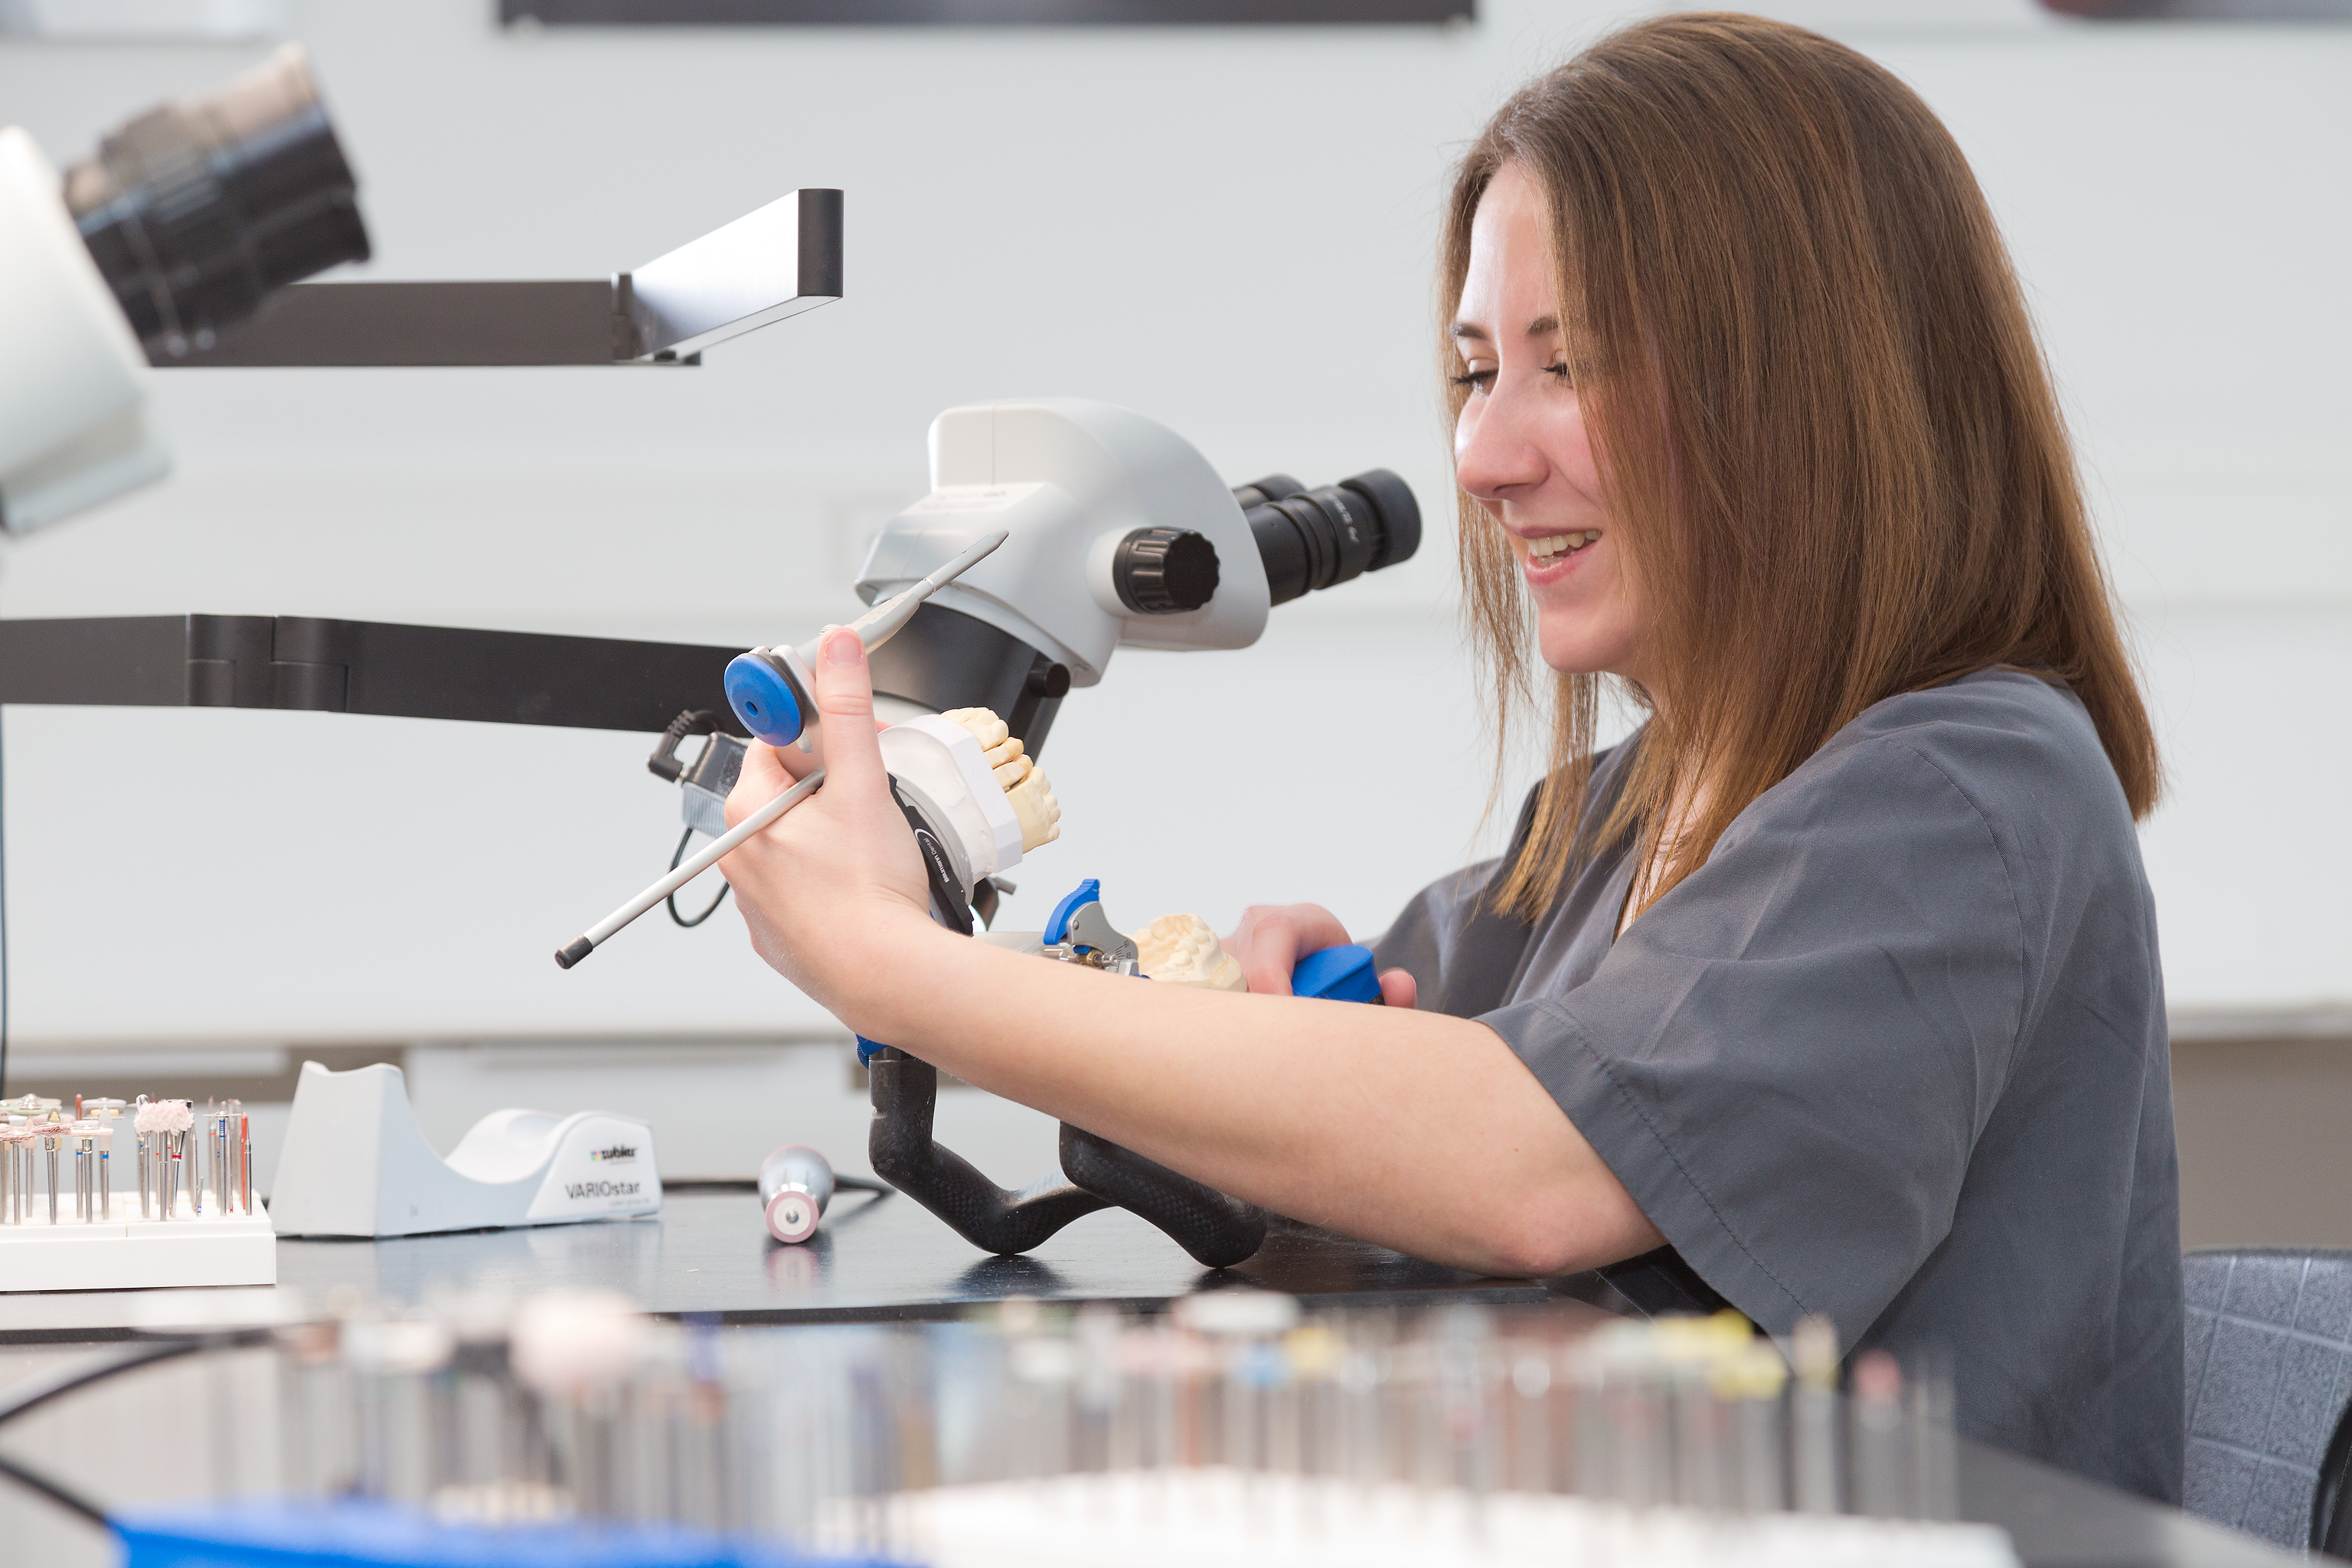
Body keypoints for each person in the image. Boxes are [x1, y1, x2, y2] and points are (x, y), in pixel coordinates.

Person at [718, 13, 2180, 1502]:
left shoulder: (1966, 797)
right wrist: (1259, 1047)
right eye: (1478, 372)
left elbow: (1529, 1167)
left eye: (1572, 365)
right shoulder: (1614, 822)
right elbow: (1419, 1134)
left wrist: (890, 965)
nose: (1482, 457)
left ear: (1812, 390)